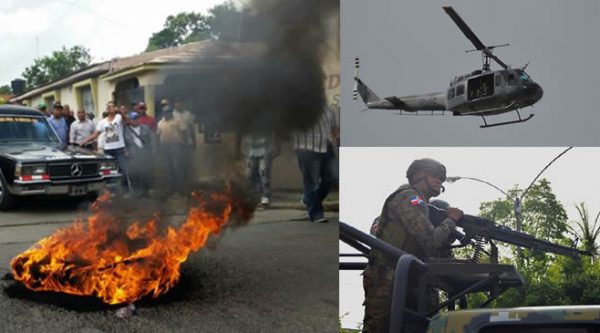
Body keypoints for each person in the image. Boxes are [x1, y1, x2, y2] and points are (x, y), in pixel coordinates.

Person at [361, 158, 463, 333]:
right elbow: (430, 240)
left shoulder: (421, 203)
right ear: (419, 176)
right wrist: (451, 221)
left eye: (441, 177)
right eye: (435, 175)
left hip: (407, 277)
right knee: (380, 328)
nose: (440, 180)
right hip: (388, 275)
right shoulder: (409, 197)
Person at [293, 106, 339, 223]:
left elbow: (334, 128)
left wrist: (336, 139)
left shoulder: (328, 108)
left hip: (327, 147)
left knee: (333, 177)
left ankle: (309, 200)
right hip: (307, 147)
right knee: (312, 182)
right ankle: (316, 213)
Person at [80, 101, 130, 192]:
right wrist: (85, 140)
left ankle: (125, 190)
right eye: (109, 107)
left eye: (113, 106)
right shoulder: (102, 122)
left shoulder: (119, 117)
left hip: (119, 148)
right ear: (107, 109)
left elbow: (127, 121)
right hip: (108, 149)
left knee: (123, 170)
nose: (111, 108)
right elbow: (95, 134)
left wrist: (120, 112)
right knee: (109, 171)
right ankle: (110, 191)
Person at [156, 106, 187, 195]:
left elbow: (184, 133)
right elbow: (158, 135)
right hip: (165, 147)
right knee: (168, 168)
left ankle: (180, 188)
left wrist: (184, 145)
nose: (167, 114)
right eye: (165, 112)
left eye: (168, 112)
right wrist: (158, 148)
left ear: (171, 113)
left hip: (176, 146)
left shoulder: (178, 121)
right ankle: (171, 188)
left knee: (178, 167)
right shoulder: (160, 123)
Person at [124, 112, 154, 197]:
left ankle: (145, 191)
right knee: (134, 173)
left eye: (137, 118)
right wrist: (125, 151)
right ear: (130, 120)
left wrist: (152, 152)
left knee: (145, 173)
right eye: (133, 119)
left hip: (144, 153)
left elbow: (151, 140)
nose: (136, 120)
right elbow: (124, 143)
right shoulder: (126, 130)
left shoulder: (145, 128)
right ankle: (136, 191)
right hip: (133, 154)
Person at [242, 131, 276, 206]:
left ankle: (265, 195)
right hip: (252, 150)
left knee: (264, 174)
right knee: (251, 175)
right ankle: (254, 195)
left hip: (265, 150)